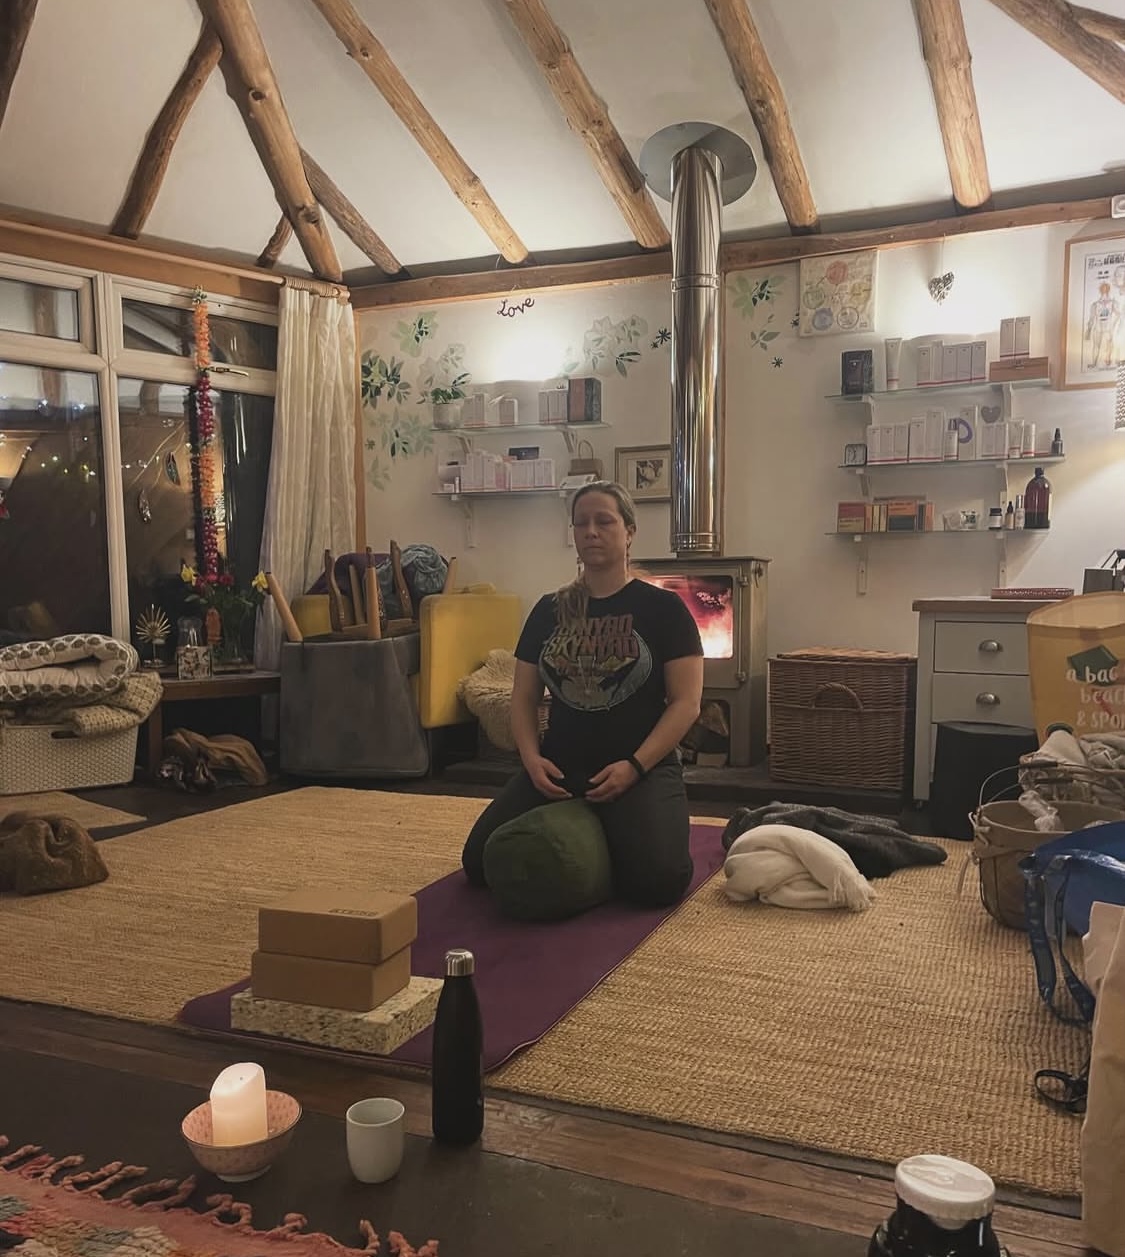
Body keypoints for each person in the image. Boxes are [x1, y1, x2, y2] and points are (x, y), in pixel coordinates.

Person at [462, 481, 704, 907]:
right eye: (581, 523)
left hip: (639, 769)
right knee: (478, 862)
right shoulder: (549, 610)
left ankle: (595, 844)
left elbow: (686, 704)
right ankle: (590, 828)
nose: (591, 531)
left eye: (604, 521)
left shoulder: (664, 610)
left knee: (659, 883)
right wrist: (531, 760)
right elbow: (523, 697)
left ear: (629, 532)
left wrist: (634, 767)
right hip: (561, 768)